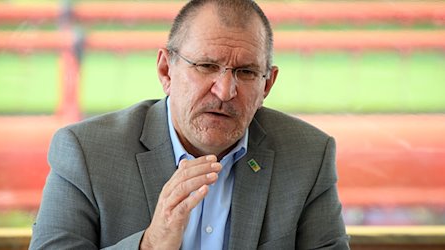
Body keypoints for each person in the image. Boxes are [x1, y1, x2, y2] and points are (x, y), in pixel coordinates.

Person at [30, 0, 349, 249]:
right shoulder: (84, 152)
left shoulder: (309, 156)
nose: (225, 91)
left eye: (247, 72)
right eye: (206, 66)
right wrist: (151, 244)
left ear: (267, 85)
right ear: (166, 71)